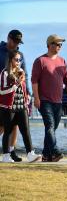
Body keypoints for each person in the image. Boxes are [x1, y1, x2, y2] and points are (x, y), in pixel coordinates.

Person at [31, 34, 67, 162]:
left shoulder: (62, 61)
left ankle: (45, 155)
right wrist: (36, 98)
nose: (59, 46)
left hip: (58, 101)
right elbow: (34, 81)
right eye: (57, 44)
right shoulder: (40, 61)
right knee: (50, 126)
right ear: (49, 45)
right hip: (44, 100)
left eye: (61, 44)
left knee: (51, 129)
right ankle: (55, 151)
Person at [0, 50, 42, 162]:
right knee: (7, 131)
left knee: (26, 130)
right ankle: (6, 156)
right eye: (16, 59)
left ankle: (30, 154)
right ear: (10, 60)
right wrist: (16, 84)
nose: (19, 62)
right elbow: (2, 91)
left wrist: (27, 97)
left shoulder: (21, 72)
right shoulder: (4, 73)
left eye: (20, 60)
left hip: (21, 106)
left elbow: (23, 87)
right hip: (8, 107)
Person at [0, 29, 28, 162]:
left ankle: (11, 151)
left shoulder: (20, 54)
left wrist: (27, 94)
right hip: (2, 94)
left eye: (18, 42)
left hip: (16, 95)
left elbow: (24, 75)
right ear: (8, 38)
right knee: (2, 125)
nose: (16, 44)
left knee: (15, 124)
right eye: (15, 41)